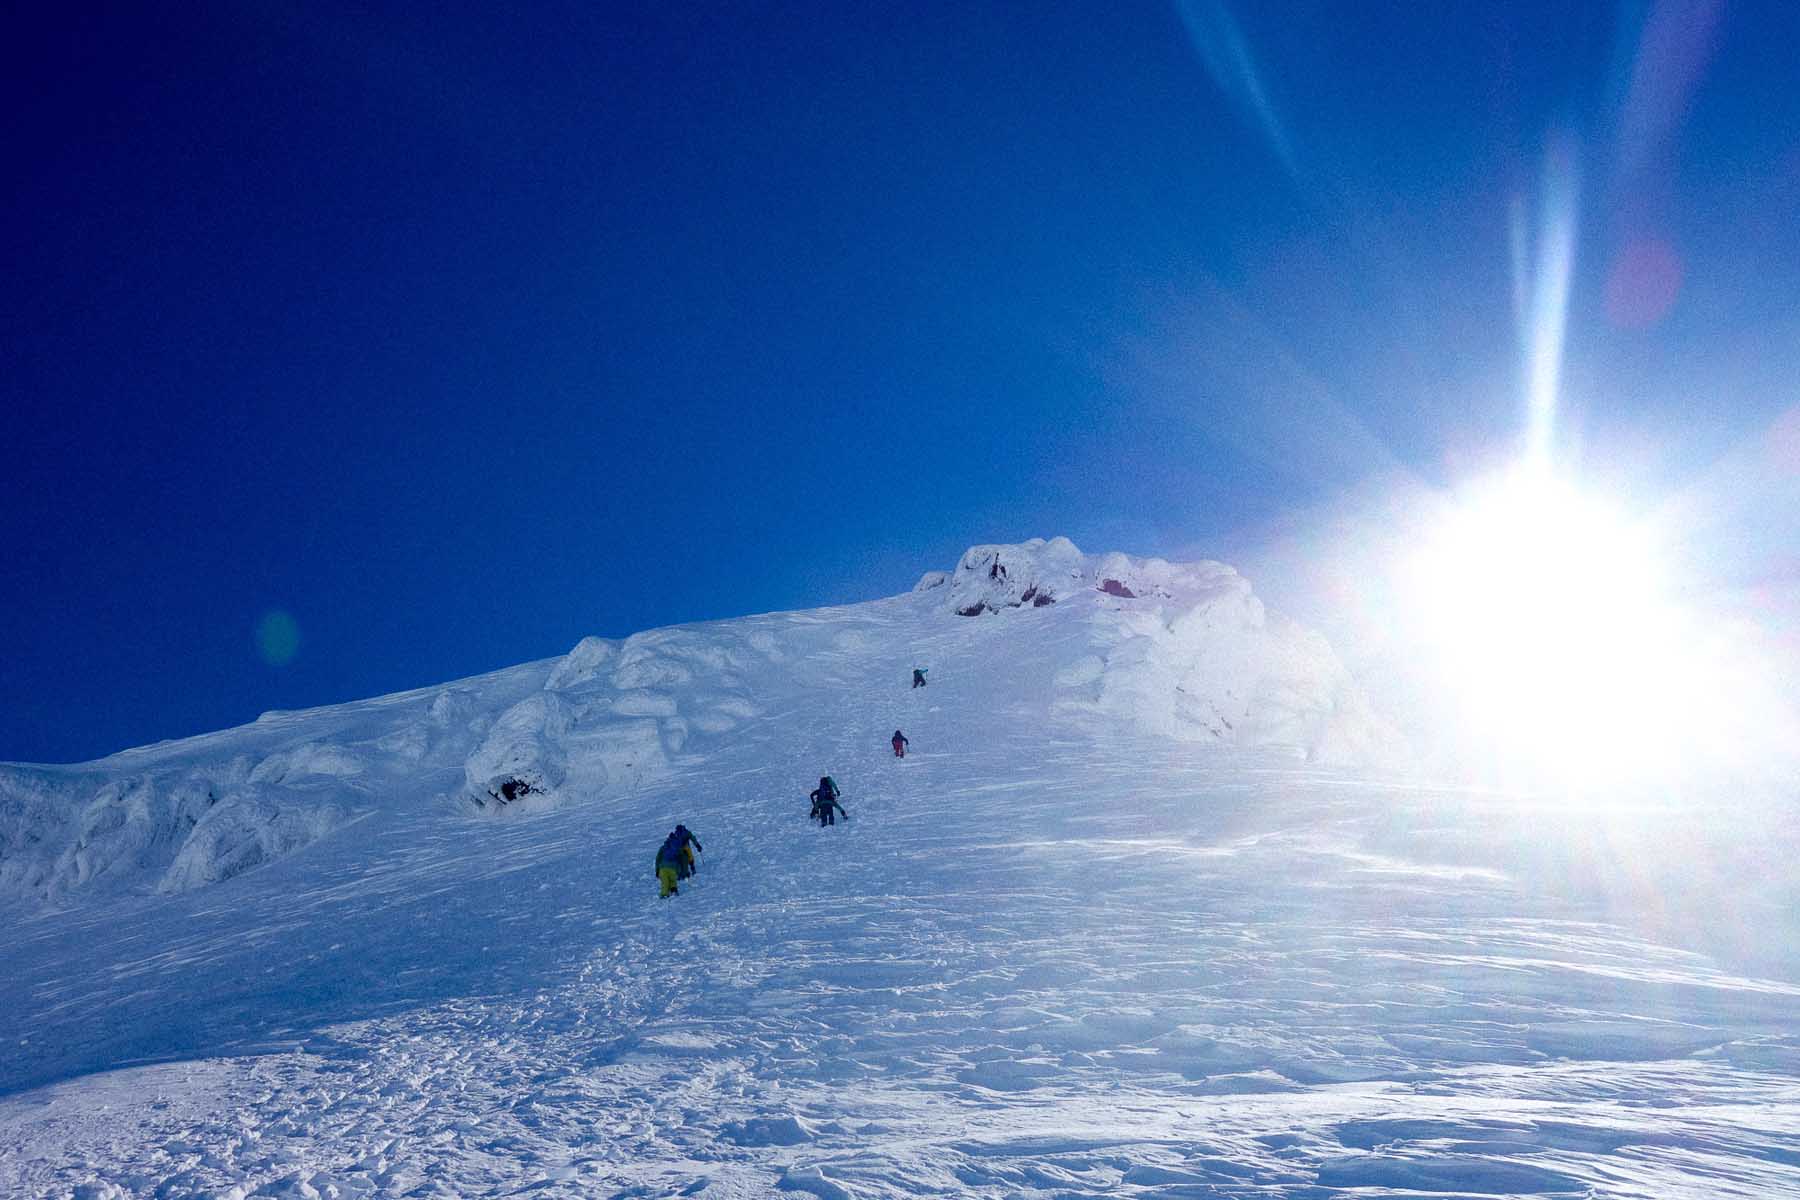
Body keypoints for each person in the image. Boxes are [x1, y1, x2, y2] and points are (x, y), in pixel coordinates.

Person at [655, 825, 701, 897]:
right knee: (688, 857)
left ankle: (666, 893)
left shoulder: (666, 845)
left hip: (665, 864)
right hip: (684, 848)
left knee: (666, 879)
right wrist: (698, 845)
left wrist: (657, 870)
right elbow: (693, 839)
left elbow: (658, 858)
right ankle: (690, 869)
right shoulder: (686, 833)